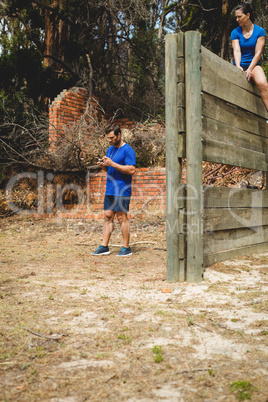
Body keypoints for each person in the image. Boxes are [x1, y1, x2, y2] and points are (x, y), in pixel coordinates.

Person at [92, 124, 136, 257]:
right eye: (108, 138)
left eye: (112, 138)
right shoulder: (110, 149)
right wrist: (104, 166)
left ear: (119, 135)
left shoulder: (128, 150)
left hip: (122, 189)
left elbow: (131, 170)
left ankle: (126, 248)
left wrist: (113, 164)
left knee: (121, 217)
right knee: (108, 215)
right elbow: (109, 169)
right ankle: (104, 246)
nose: (110, 140)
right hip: (110, 188)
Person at [231, 2, 268, 112]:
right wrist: (238, 66)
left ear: (247, 15)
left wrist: (250, 69)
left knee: (263, 83)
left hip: (254, 64)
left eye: (239, 16)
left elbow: (258, 53)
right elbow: (236, 50)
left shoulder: (260, 31)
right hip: (239, 64)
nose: (237, 19)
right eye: (236, 17)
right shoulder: (235, 32)